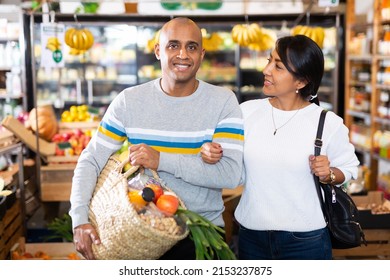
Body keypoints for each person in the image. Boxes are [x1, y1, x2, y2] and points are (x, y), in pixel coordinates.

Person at [69, 17, 244, 260]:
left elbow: (230, 174)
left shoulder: (223, 101)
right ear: (158, 51)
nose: (183, 54)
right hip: (142, 234)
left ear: (201, 55)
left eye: (191, 47)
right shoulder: (129, 101)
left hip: (202, 236)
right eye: (173, 45)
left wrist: (161, 160)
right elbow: (91, 160)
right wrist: (79, 219)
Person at [202, 35, 359, 260]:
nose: (266, 70)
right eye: (269, 61)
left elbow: (350, 169)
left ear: (301, 82)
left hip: (307, 242)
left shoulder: (327, 122)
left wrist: (330, 173)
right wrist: (213, 153)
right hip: (251, 237)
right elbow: (234, 172)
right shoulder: (246, 112)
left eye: (278, 66)